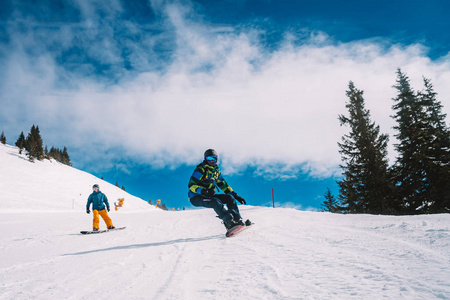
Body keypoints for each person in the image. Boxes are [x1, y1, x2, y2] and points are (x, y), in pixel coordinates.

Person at [188, 149, 250, 230]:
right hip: (196, 197)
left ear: (216, 159)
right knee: (215, 202)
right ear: (205, 159)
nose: (211, 161)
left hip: (208, 195)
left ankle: (237, 219)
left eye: (213, 158)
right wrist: (203, 191)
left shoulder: (216, 172)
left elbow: (224, 186)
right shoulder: (201, 170)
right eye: (209, 159)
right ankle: (228, 222)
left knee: (229, 198)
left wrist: (236, 196)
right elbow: (191, 185)